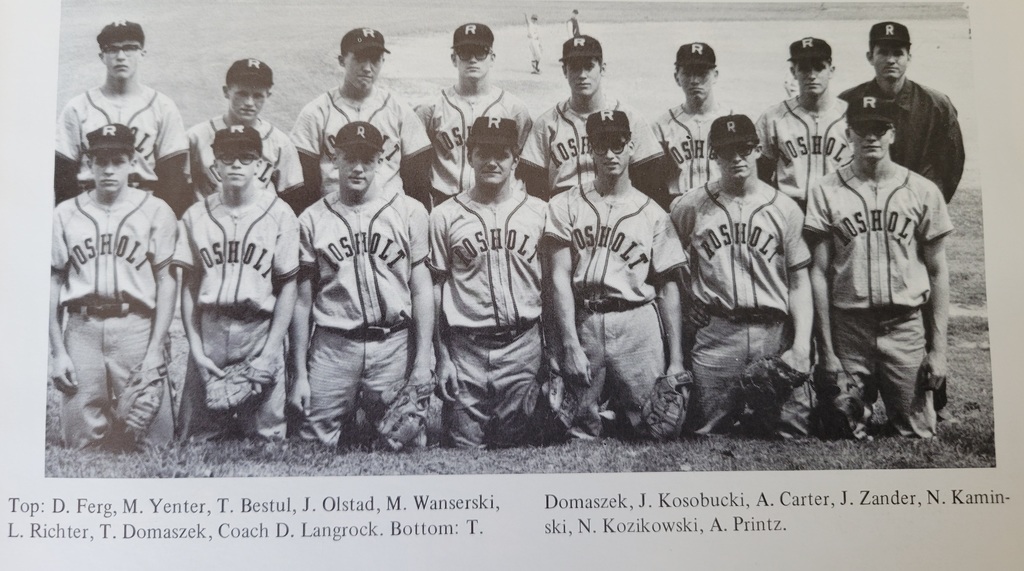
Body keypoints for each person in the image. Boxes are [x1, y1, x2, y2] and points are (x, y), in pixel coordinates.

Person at [805, 96, 952, 439]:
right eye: (862, 129)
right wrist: (826, 351)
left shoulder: (922, 191)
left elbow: (937, 271)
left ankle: (908, 396)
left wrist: (938, 350)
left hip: (904, 326)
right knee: (838, 427)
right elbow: (818, 273)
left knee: (917, 431)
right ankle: (855, 401)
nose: (870, 137)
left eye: (879, 128)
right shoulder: (825, 191)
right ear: (848, 134)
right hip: (849, 329)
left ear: (892, 134)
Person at [290, 122, 434, 448]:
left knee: (405, 443)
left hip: (393, 347)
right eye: (350, 157)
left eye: (367, 159)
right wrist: (299, 373)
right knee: (310, 445)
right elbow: (302, 302)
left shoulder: (409, 212)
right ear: (334, 158)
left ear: (380, 160)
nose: (358, 167)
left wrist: (422, 362)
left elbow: (422, 290)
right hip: (334, 348)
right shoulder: (311, 220)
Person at [545, 110, 686, 440]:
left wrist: (676, 360)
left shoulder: (653, 213)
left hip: (637, 324)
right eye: (601, 144)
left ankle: (617, 416)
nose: (610, 153)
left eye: (618, 144)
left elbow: (667, 288)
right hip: (586, 321)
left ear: (631, 146)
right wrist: (568, 344)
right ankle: (607, 416)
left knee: (656, 427)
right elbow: (559, 278)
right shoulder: (565, 204)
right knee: (572, 428)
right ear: (589, 148)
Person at [670, 114, 813, 437]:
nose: (736, 157)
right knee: (707, 431)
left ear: (758, 149)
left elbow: (799, 281)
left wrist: (801, 344)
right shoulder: (690, 206)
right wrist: (688, 293)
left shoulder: (785, 208)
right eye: (726, 150)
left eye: (744, 148)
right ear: (712, 155)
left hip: (773, 334)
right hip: (718, 336)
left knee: (792, 431)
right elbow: (667, 264)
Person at [49, 124, 178, 450]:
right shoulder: (64, 214)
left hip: (135, 327)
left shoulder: (156, 210)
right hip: (83, 330)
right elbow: (53, 282)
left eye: (117, 160)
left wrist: (155, 349)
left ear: (132, 162)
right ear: (87, 163)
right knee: (80, 441)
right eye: (100, 160)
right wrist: (58, 352)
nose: (108, 169)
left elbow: (166, 281)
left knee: (154, 440)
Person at [173, 126, 299, 442]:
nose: (237, 164)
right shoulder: (194, 216)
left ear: (260, 165)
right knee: (197, 438)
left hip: (258, 331)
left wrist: (271, 351)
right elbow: (189, 287)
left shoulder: (281, 215)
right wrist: (197, 351)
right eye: (227, 157)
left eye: (247, 156)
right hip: (211, 331)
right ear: (215, 165)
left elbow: (287, 288)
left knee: (267, 439)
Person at [429, 117, 547, 448]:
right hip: (467, 349)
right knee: (464, 446)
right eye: (483, 152)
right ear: (470, 155)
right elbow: (435, 289)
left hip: (523, 346)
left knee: (519, 444)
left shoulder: (539, 213)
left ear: (516, 160)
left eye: (502, 154)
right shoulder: (444, 216)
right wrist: (442, 356)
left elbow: (551, 289)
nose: (492, 162)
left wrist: (551, 355)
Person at [55, 21, 190, 218]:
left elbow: (173, 179)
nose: (121, 56)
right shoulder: (78, 107)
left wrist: (161, 221)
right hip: (89, 208)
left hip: (146, 207)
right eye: (112, 49)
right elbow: (63, 177)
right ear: (102, 56)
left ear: (142, 53)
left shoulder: (163, 106)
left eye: (129, 48)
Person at [290, 28, 433, 213]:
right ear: (342, 61)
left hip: (390, 214)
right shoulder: (315, 112)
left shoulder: (399, 110)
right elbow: (303, 183)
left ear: (383, 61)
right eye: (359, 58)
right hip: (334, 214)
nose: (367, 68)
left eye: (374, 59)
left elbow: (418, 178)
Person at [520, 35, 666, 202]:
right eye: (574, 67)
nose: (582, 75)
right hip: (563, 212)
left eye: (589, 67)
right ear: (564, 71)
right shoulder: (547, 124)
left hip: (616, 209)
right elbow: (533, 187)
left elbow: (651, 180)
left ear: (602, 69)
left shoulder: (630, 118)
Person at [839, 21, 964, 203]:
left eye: (898, 53)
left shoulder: (936, 104)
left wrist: (932, 204)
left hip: (916, 203)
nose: (891, 60)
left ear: (909, 57)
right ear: (870, 57)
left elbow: (951, 164)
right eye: (883, 52)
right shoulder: (848, 101)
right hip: (861, 204)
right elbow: (836, 157)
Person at [416, 23, 533, 208]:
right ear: (454, 59)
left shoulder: (514, 108)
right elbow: (416, 168)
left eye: (480, 52)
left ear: (492, 58)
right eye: (465, 52)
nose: (472, 59)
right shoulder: (430, 108)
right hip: (446, 204)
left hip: (498, 205)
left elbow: (524, 166)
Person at [186, 59, 303, 204]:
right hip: (210, 220)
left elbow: (292, 195)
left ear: (268, 95)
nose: (249, 103)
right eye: (242, 94)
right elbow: (181, 188)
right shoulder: (197, 136)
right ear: (226, 92)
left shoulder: (280, 142)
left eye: (258, 95)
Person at [757, 38, 851, 210]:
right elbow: (760, 176)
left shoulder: (850, 117)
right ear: (794, 72)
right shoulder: (773, 118)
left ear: (831, 70)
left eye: (819, 67)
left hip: (838, 210)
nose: (812, 75)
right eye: (804, 68)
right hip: (790, 209)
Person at [653, 42, 731, 210]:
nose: (694, 81)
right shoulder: (662, 126)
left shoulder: (732, 121)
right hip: (677, 205)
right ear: (677, 78)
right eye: (687, 73)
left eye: (702, 73)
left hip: (723, 206)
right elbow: (654, 181)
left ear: (715, 75)